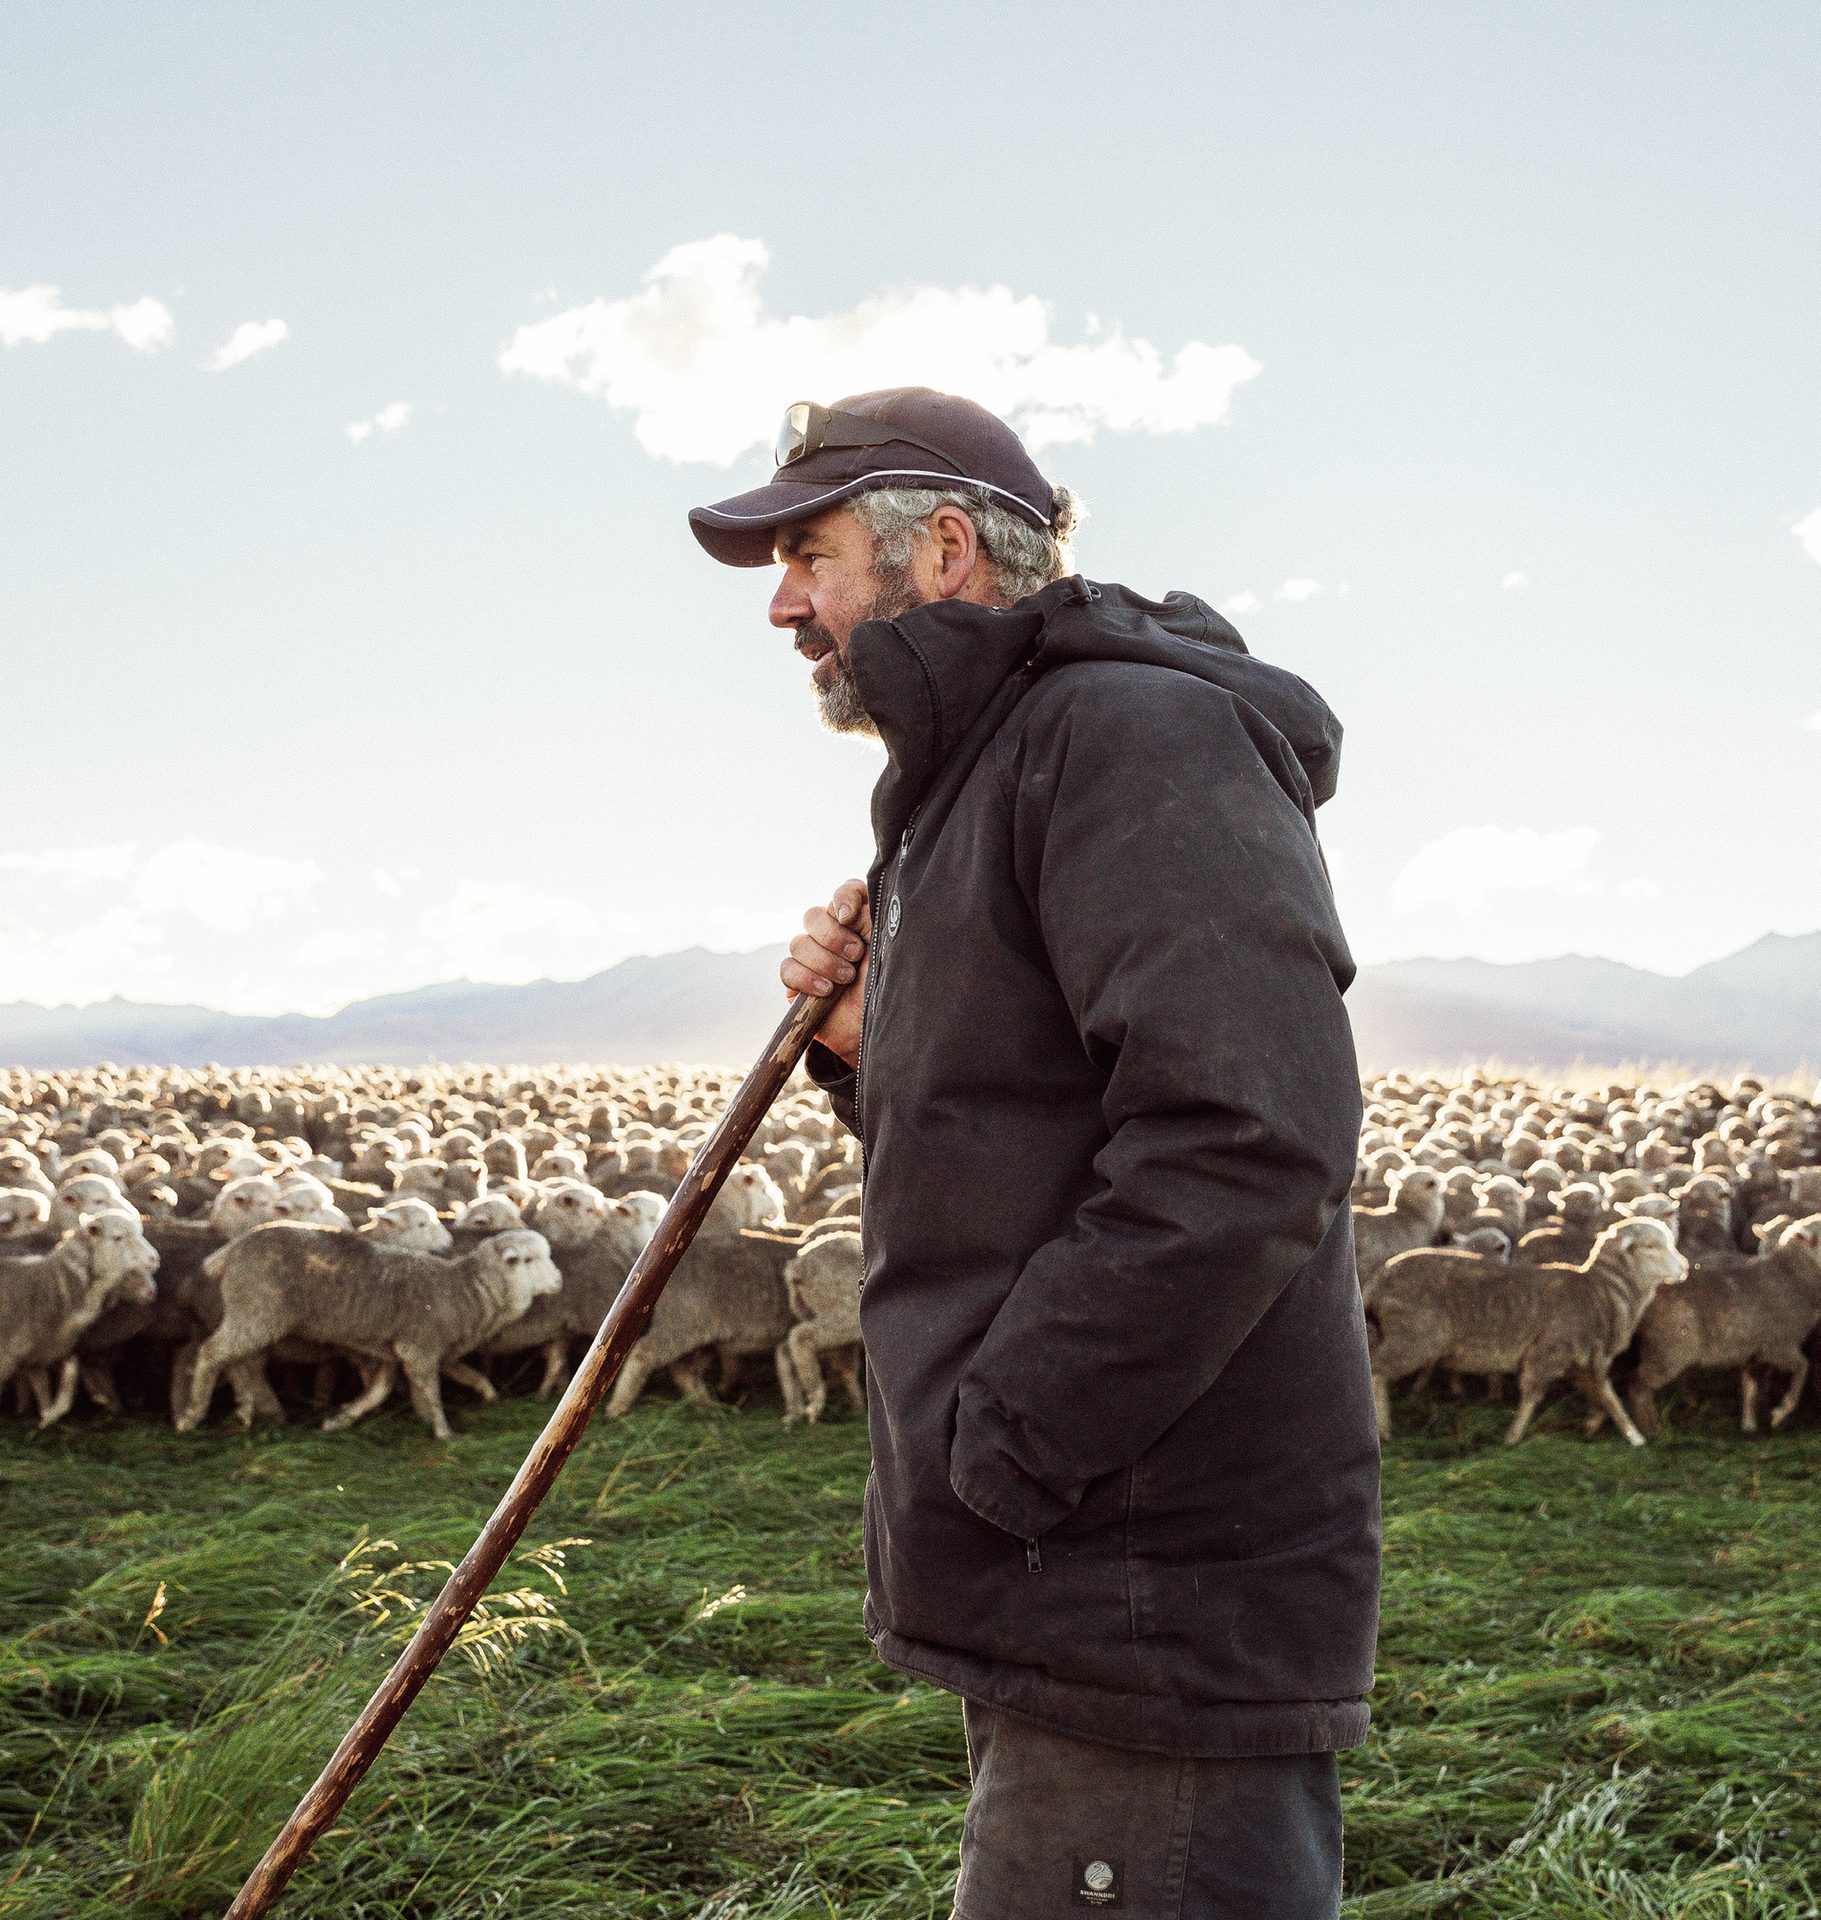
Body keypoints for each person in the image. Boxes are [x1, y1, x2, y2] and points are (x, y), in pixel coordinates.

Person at [690, 388, 1380, 1919]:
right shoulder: (990, 765)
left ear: (942, 549)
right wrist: (881, 1048)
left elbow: (1242, 1137)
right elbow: (1039, 1137)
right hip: (1077, 1577)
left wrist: (1007, 1442)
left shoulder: (1131, 734)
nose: (786, 606)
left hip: (1141, 1585)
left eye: (809, 556)